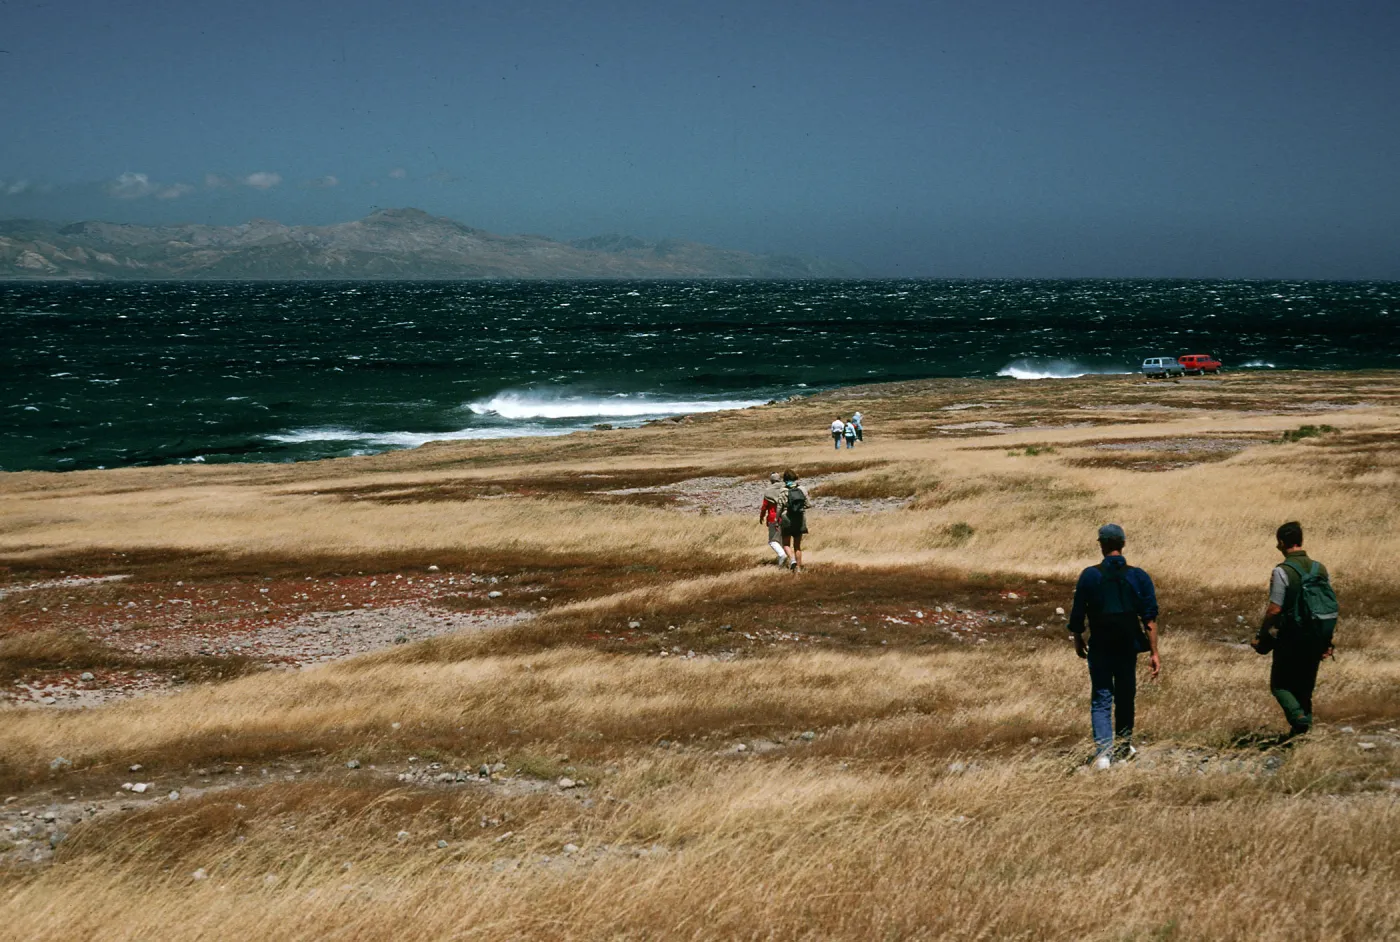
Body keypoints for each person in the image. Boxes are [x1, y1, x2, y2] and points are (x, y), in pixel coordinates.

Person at [1067, 523, 1161, 769]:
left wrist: (1078, 637)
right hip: (1127, 645)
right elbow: (1149, 620)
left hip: (1100, 643)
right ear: (1123, 544)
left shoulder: (1090, 575)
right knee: (1126, 694)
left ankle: (1103, 754)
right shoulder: (1138, 576)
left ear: (1102, 545)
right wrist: (1154, 652)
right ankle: (1123, 745)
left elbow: (1078, 613)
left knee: (1101, 696)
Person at [1252, 521, 1337, 738]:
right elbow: (1326, 606)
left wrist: (1263, 634)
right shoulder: (1321, 569)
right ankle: (1302, 735)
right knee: (1305, 687)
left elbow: (1274, 609)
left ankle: (1299, 721)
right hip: (1318, 636)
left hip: (1292, 637)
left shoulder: (1282, 571)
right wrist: (1327, 641)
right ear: (1301, 540)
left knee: (1280, 685)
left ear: (1281, 542)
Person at [776, 468, 809, 572]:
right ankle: (798, 568)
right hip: (799, 518)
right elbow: (808, 504)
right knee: (797, 546)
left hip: (786, 518)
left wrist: (777, 519)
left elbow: (779, 507)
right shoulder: (802, 489)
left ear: (784, 479)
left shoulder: (783, 490)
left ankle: (792, 560)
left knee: (786, 544)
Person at [758, 472, 788, 566]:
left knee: (773, 541)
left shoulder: (768, 491)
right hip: (786, 517)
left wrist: (761, 516)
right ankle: (783, 564)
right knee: (783, 541)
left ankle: (782, 555)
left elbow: (764, 506)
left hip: (773, 517)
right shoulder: (785, 489)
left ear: (771, 480)